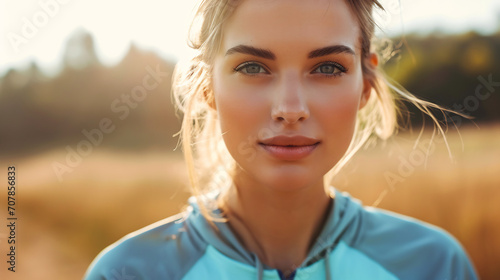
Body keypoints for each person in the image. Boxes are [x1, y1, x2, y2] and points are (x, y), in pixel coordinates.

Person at [84, 0, 478, 279]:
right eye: (253, 66)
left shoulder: (433, 266)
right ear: (207, 86)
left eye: (327, 67)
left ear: (365, 85)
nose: (290, 109)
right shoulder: (129, 272)